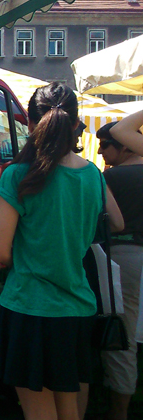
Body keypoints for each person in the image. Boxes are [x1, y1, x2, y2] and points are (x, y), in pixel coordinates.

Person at [0, 83, 123, 420]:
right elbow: (116, 222)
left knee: (38, 410)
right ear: (75, 123)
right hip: (77, 307)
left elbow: (2, 253)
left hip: (29, 306)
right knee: (70, 410)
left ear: (31, 125)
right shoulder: (93, 173)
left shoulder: (19, 174)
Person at [96, 121, 143, 420]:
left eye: (106, 145)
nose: (101, 151)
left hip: (123, 257)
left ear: (124, 145)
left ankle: (119, 412)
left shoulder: (112, 177)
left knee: (122, 336)